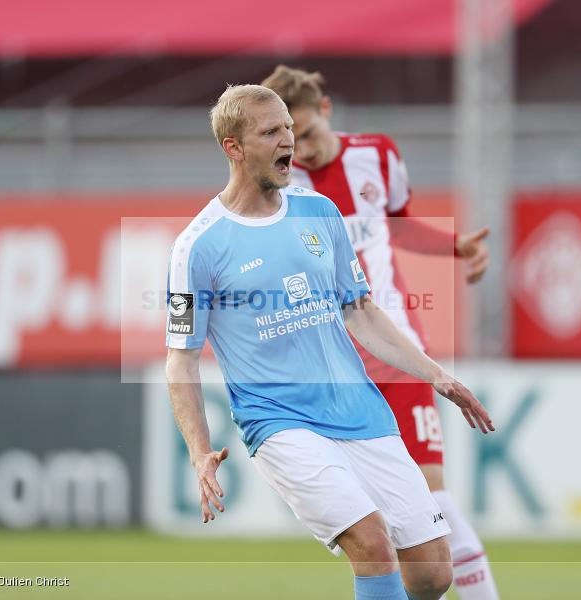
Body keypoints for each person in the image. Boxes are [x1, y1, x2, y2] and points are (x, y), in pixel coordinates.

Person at [165, 84, 493, 600]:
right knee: (372, 544)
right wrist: (199, 451)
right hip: (281, 422)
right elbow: (180, 361)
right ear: (234, 147)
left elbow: (361, 313)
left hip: (361, 411)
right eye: (270, 132)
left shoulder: (319, 212)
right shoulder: (197, 246)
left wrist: (437, 375)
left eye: (288, 128)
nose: (287, 141)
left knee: (433, 574)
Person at [262, 65, 500, 599]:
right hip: (332, 371)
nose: (303, 151)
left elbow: (399, 223)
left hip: (397, 356)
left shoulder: (378, 154)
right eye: (290, 139)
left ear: (326, 111)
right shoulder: (276, 186)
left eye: (308, 133)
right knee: (382, 531)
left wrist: (453, 246)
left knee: (434, 507)